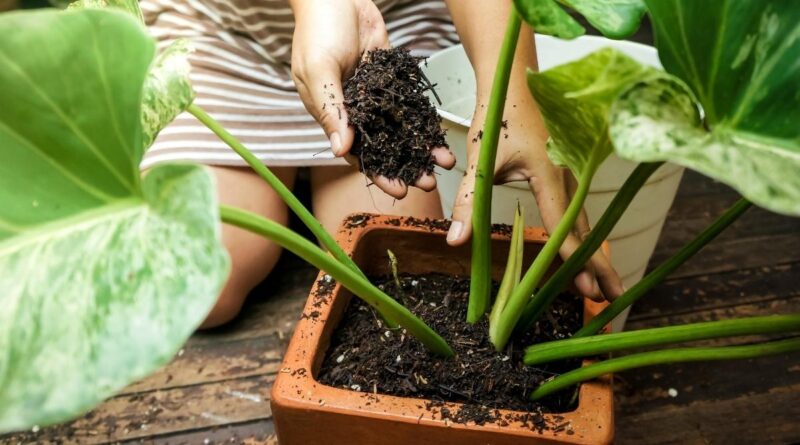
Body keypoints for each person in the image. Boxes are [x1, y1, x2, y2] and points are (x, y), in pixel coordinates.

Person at [141, 0, 624, 328]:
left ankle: (310, 177)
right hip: (225, 30)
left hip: (387, 25)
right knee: (195, 290)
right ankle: (294, 179)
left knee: (394, 282)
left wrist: (517, 95)